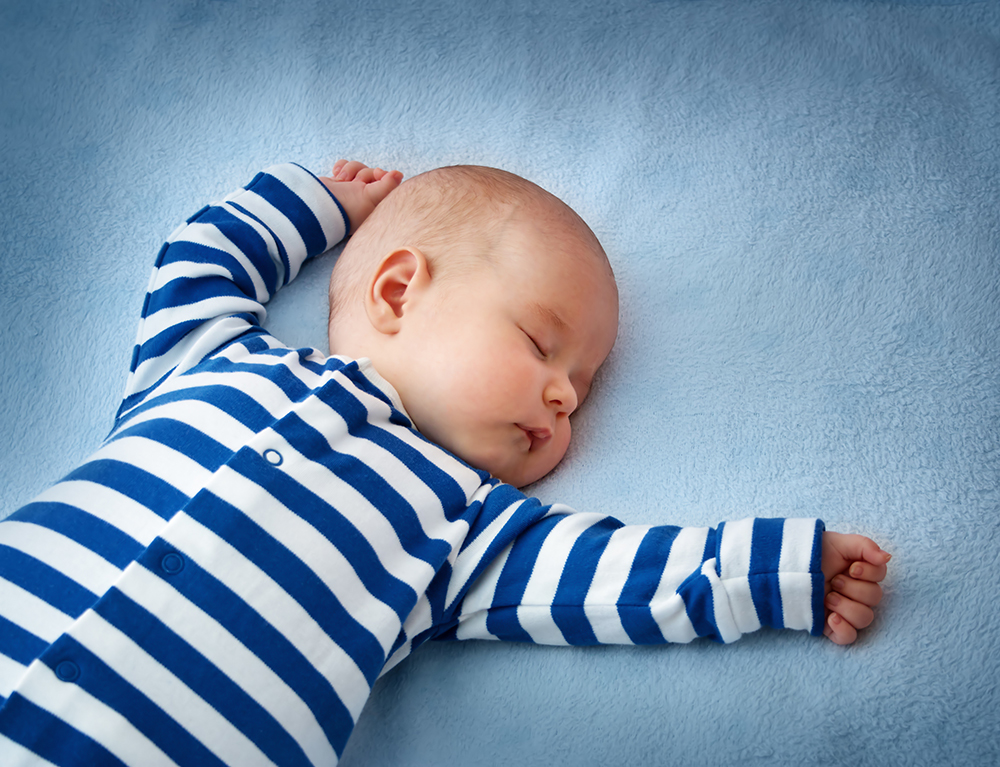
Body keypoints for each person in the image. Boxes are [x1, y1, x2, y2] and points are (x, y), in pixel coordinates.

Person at [0, 159, 890, 765]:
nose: (567, 397)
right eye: (543, 344)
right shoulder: (211, 360)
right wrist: (313, 201)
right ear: (396, 290)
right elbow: (201, 257)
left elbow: (619, 578)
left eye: (581, 382)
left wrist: (778, 569)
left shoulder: (466, 527)